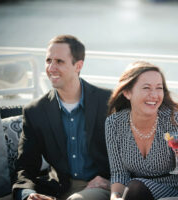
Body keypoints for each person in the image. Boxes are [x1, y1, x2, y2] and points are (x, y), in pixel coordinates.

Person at [12, 35, 112, 200]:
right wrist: (29, 195)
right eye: (48, 60)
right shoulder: (35, 111)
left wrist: (111, 182)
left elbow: (129, 156)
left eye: (59, 61)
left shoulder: (108, 102)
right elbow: (25, 167)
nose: (51, 68)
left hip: (98, 186)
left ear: (78, 66)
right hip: (56, 188)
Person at [105, 61, 178, 200]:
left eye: (159, 88)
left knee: (136, 187)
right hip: (132, 191)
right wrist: (115, 196)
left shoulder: (175, 122)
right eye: (146, 88)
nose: (154, 95)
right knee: (134, 188)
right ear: (127, 92)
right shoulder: (114, 123)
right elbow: (119, 173)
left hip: (173, 189)